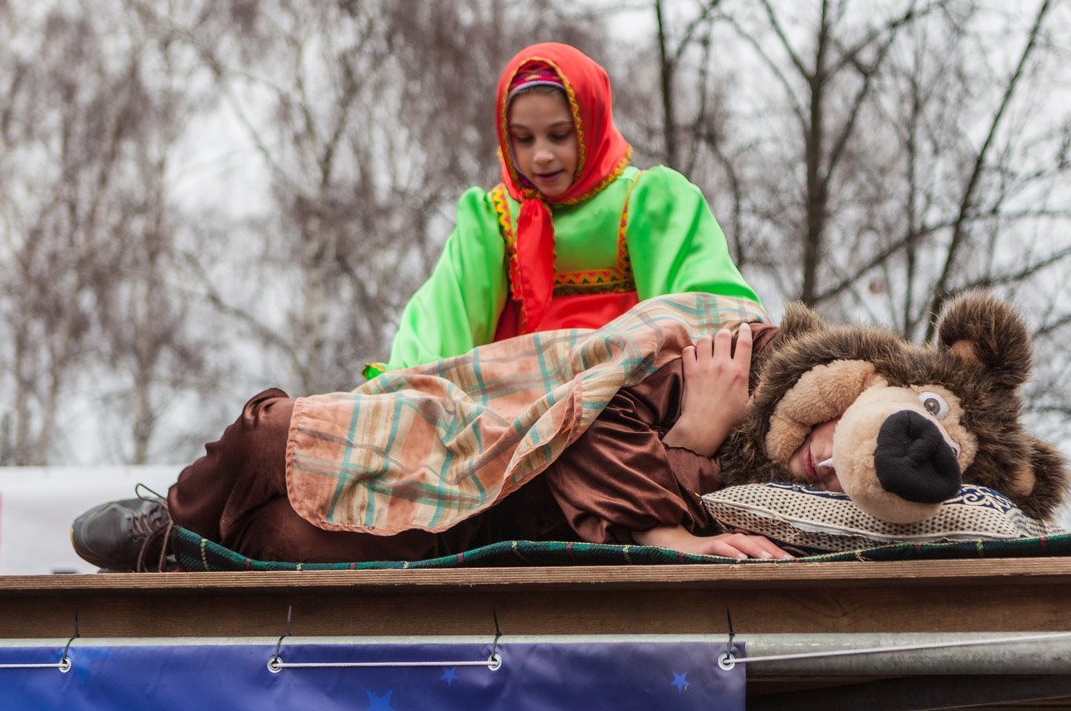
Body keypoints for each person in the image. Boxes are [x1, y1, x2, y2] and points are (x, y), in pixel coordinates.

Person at [71, 295, 802, 572]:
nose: (826, 459)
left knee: (278, 544)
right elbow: (594, 408)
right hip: (487, 425)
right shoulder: (747, 356)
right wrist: (670, 504)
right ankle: (175, 527)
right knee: (271, 433)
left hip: (485, 541)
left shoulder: (814, 503)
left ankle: (199, 558)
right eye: (528, 139)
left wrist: (685, 453)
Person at [367, 41, 758, 378]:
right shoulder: (494, 220)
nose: (541, 156)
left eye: (558, 135)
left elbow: (703, 308)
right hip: (524, 414)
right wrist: (403, 385)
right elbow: (443, 318)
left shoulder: (647, 202)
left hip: (627, 406)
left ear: (590, 122)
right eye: (523, 138)